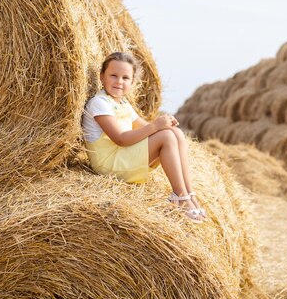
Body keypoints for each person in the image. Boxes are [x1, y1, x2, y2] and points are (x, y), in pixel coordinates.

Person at [82, 52, 206, 222]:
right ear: (102, 77)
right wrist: (156, 126)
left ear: (132, 82)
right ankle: (179, 196)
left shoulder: (122, 103)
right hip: (109, 162)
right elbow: (120, 139)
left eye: (125, 78)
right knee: (166, 138)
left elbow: (145, 127)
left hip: (122, 155)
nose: (119, 81)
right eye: (113, 76)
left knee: (175, 133)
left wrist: (166, 124)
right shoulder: (99, 103)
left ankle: (189, 193)